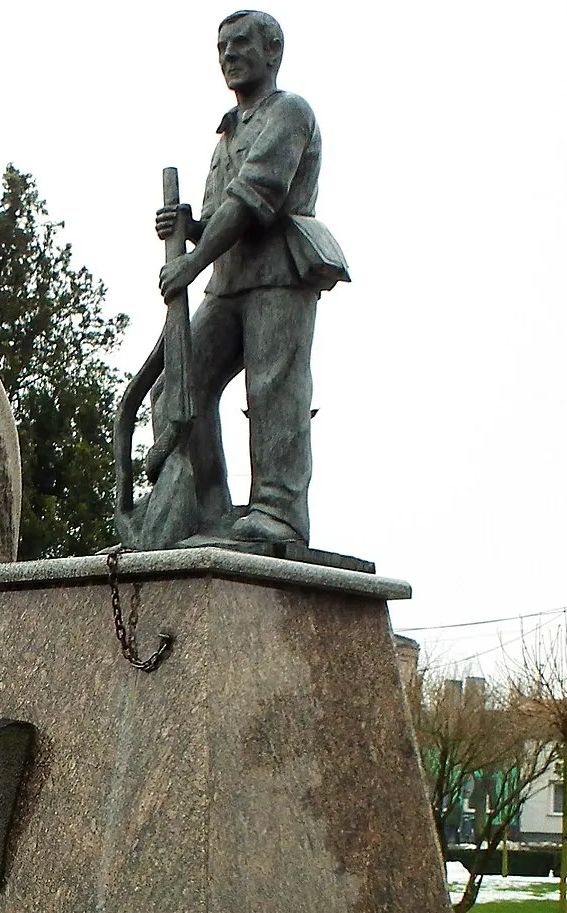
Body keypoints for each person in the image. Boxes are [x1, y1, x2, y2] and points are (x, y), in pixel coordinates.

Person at [141, 9, 347, 548]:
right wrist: (189, 228)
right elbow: (219, 216)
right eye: (221, 47)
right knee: (178, 390)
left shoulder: (290, 113)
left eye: (239, 45)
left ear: (272, 52)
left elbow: (254, 199)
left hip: (279, 273)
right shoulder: (226, 134)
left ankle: (278, 510)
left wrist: (192, 259)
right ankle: (209, 512)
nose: (228, 55)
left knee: (275, 385)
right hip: (229, 278)